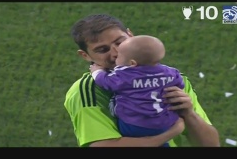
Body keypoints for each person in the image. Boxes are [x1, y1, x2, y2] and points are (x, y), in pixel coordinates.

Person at [64, 14, 220, 147]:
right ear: (86, 56)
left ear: (131, 36)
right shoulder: (86, 91)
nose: (116, 53)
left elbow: (211, 145)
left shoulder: (171, 82)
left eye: (120, 42)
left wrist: (189, 114)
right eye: (103, 50)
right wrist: (166, 136)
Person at [89, 35, 185, 147]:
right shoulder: (171, 72)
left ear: (132, 63)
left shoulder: (125, 76)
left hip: (134, 124)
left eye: (119, 55)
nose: (116, 57)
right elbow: (180, 85)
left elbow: (107, 82)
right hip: (164, 122)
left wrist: (97, 71)